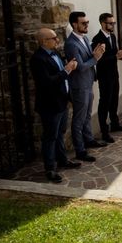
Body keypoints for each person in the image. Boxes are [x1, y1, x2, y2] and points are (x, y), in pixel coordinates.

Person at [30, 28, 81, 183]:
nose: (57, 40)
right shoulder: (38, 59)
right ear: (44, 41)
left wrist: (68, 68)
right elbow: (47, 83)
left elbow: (61, 76)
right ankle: (50, 168)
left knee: (60, 133)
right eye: (54, 38)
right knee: (50, 137)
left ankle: (63, 160)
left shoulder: (55, 53)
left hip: (62, 101)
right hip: (50, 104)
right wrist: (66, 70)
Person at [64, 11, 106, 162]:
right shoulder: (70, 44)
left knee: (87, 115)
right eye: (83, 23)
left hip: (88, 82)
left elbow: (88, 59)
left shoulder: (85, 38)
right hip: (79, 86)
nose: (87, 25)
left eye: (87, 22)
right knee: (79, 119)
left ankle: (89, 140)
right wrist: (96, 58)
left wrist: (96, 52)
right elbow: (80, 67)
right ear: (74, 24)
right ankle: (80, 150)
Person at [91, 13, 122, 144]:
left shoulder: (113, 36)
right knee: (105, 103)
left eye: (113, 23)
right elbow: (99, 60)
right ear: (103, 23)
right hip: (104, 76)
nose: (113, 25)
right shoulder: (97, 39)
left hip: (114, 74)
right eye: (110, 23)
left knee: (114, 101)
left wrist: (121, 55)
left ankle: (115, 123)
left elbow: (114, 53)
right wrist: (115, 56)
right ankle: (104, 132)